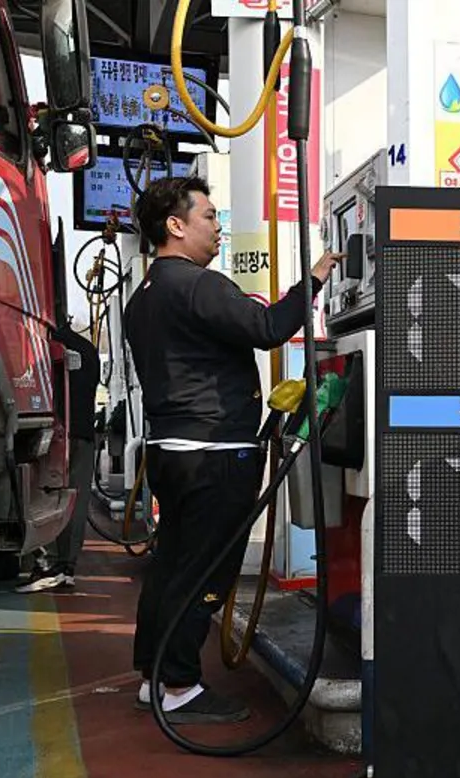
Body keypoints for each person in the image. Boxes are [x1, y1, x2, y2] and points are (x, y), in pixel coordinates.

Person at [123, 174, 342, 724]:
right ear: (176, 226)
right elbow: (266, 327)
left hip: (172, 450)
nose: (218, 227)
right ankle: (179, 685)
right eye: (209, 216)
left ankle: (154, 675)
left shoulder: (145, 295)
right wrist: (313, 280)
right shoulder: (197, 284)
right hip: (213, 451)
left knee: (174, 562)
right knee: (206, 571)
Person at [14, 319, 102, 593]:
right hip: (84, 433)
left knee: (50, 493)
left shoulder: (40, 346)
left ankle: (50, 564)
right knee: (76, 497)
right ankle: (66, 566)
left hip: (56, 433)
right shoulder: (86, 349)